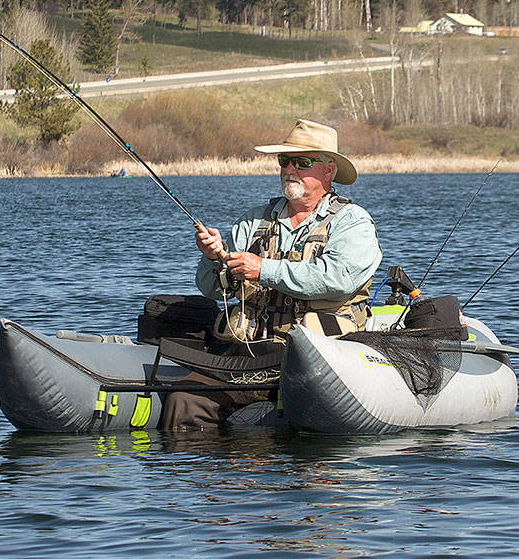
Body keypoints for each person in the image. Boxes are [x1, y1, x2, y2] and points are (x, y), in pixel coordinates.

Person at [159, 119, 382, 430]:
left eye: (302, 161)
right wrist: (213, 258)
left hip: (321, 361)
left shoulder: (353, 223)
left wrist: (263, 268)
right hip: (249, 356)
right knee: (184, 399)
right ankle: (211, 474)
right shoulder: (252, 221)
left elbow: (337, 278)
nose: (290, 169)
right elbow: (212, 288)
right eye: (284, 160)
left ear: (329, 170)